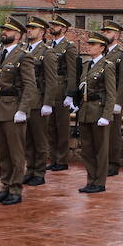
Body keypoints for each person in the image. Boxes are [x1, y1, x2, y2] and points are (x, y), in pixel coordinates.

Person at [0, 17, 37, 205]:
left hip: (14, 108)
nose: (4, 32)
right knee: (2, 152)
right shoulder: (1, 54)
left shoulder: (24, 55)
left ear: (18, 35)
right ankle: (5, 186)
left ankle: (16, 189)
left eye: (8, 30)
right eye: (3, 29)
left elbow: (30, 86)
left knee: (16, 153)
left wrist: (23, 109)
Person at [76, 31, 116, 193]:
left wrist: (106, 115)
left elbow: (111, 93)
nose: (89, 47)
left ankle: (100, 182)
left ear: (102, 47)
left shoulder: (107, 66)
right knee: (87, 150)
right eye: (89, 44)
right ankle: (90, 180)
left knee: (100, 150)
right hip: (86, 111)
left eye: (93, 44)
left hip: (98, 112)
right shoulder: (86, 65)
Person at [21, 18, 58, 187]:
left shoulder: (47, 53)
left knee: (40, 139)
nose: (29, 30)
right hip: (27, 101)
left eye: (33, 28)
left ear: (42, 32)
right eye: (28, 28)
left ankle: (39, 172)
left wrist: (48, 103)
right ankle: (30, 169)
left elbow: (52, 80)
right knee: (28, 139)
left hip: (39, 101)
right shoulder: (24, 50)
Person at [45, 15, 80, 172]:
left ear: (64, 29)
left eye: (56, 25)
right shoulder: (49, 45)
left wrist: (70, 94)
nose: (53, 27)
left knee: (61, 127)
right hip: (50, 89)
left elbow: (72, 72)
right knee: (50, 127)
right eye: (52, 25)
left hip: (61, 88)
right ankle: (53, 158)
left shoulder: (69, 47)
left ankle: (62, 159)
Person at [100, 21, 123, 177]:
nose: (105, 34)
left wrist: (118, 102)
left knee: (112, 134)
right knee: (101, 134)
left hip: (113, 101)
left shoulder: (122, 55)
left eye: (109, 32)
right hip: (100, 100)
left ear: (117, 35)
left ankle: (113, 163)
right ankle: (102, 162)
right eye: (104, 31)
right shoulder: (102, 53)